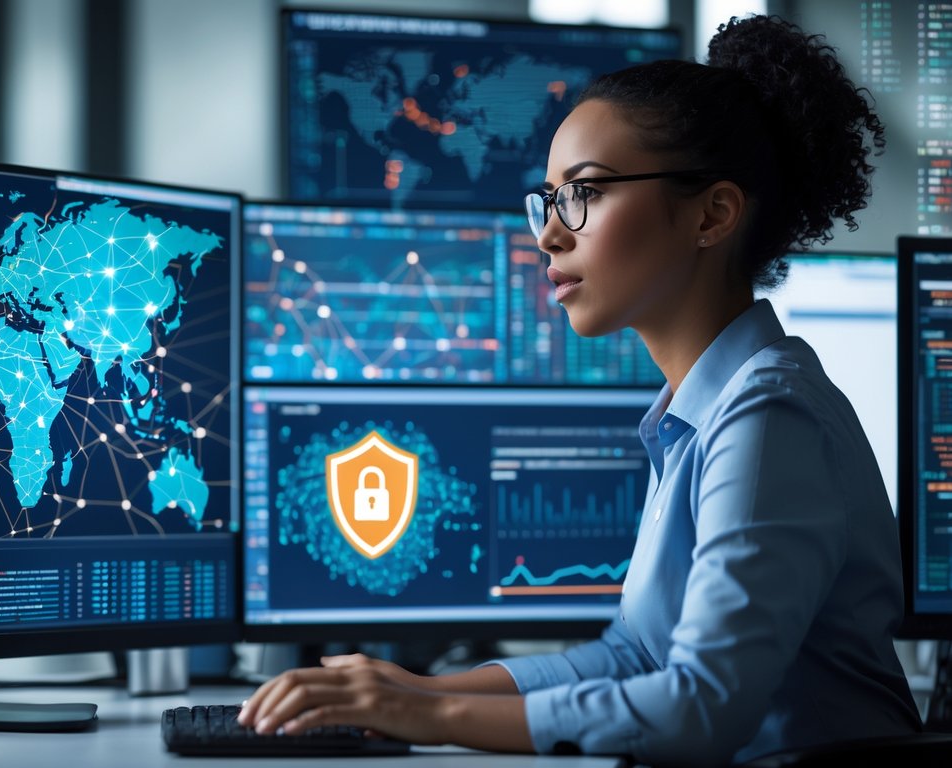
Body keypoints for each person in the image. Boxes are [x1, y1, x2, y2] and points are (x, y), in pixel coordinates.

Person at [237, 15, 921, 766]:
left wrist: (429, 717)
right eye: (550, 199)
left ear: (711, 214)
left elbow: (701, 706)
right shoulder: (697, 413)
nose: (549, 236)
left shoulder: (767, 415)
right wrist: (419, 691)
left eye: (585, 193)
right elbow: (633, 655)